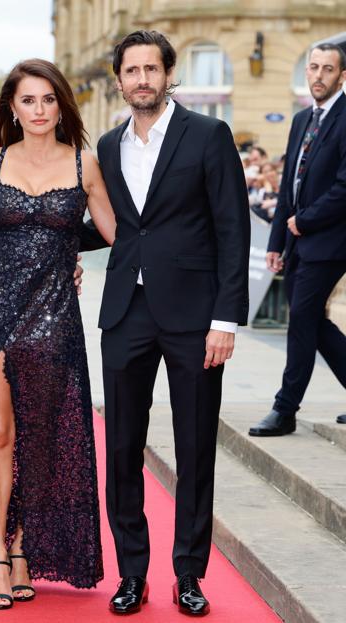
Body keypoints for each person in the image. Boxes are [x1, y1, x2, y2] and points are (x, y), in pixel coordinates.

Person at [82, 30, 250, 615]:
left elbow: (233, 229)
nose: (142, 79)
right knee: (122, 447)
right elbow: (109, 225)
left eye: (152, 68)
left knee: (195, 447)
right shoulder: (106, 145)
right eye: (132, 70)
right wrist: (39, 241)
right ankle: (133, 574)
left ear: (168, 73)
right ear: (120, 78)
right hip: (125, 314)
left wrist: (226, 319)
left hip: (194, 318)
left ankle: (188, 575)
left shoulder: (208, 135)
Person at [0, 59, 116, 609]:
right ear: (12, 108)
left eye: (48, 100)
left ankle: (24, 548)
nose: (39, 110)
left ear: (60, 105)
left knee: (41, 438)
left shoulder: (84, 162)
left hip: (53, 315)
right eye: (28, 101)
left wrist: (67, 250)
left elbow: (115, 232)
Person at [249, 43, 346, 436]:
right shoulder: (302, 118)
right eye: (313, 67)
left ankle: (285, 409)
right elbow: (291, 185)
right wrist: (276, 242)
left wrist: (303, 222)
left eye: (328, 69)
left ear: (343, 76)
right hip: (296, 241)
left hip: (331, 241)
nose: (319, 75)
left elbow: (344, 187)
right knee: (312, 322)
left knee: (301, 319)